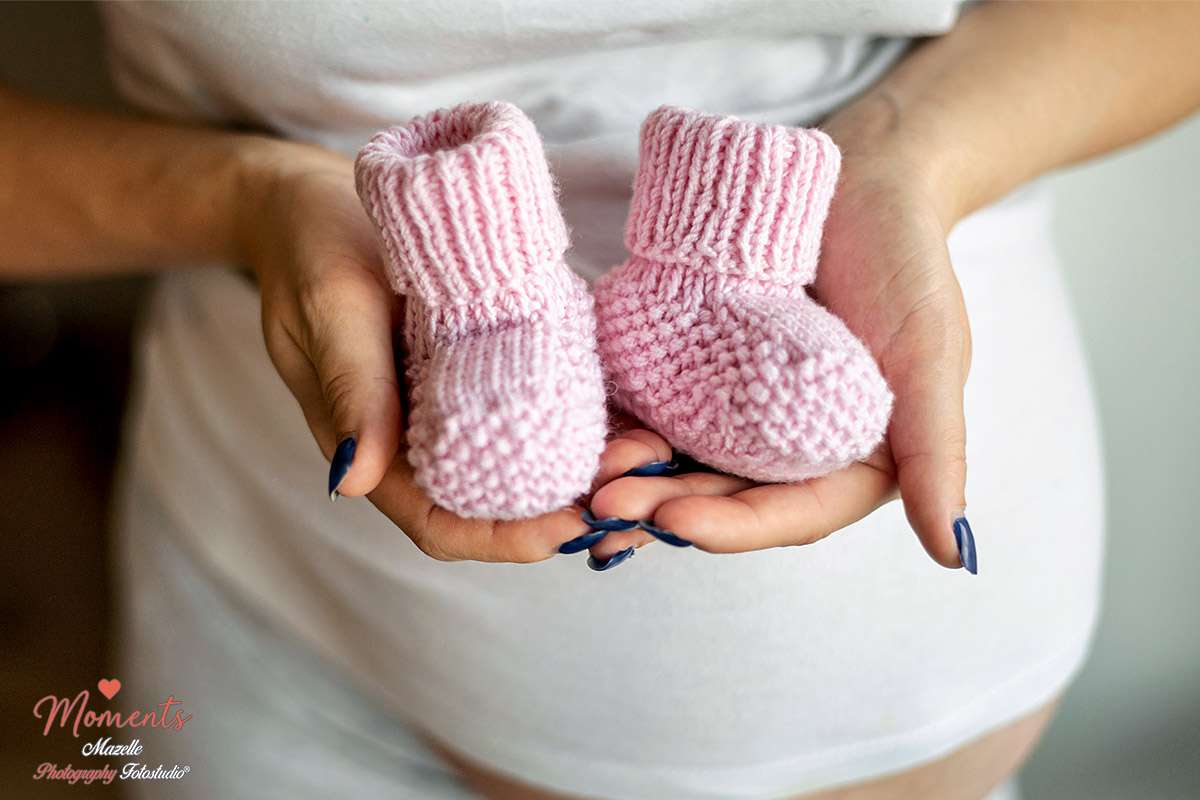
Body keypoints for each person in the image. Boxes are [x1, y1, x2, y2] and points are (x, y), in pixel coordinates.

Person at [3, 1, 1197, 798]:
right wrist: (250, 202)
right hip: (291, 640)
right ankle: (509, 289)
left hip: (912, 698)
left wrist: (906, 155)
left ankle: (662, 293)